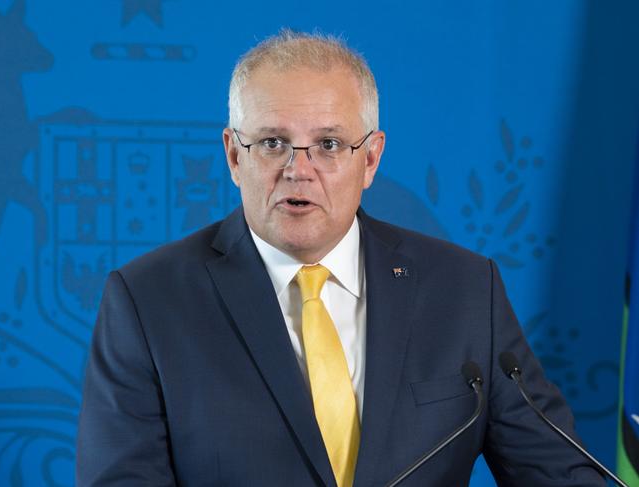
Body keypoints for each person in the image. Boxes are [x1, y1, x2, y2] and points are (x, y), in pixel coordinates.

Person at [76, 30, 606, 486]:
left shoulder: (465, 290)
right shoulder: (149, 301)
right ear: (235, 156)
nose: (297, 169)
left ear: (370, 158)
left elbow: (556, 470)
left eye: (328, 144)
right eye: (272, 142)